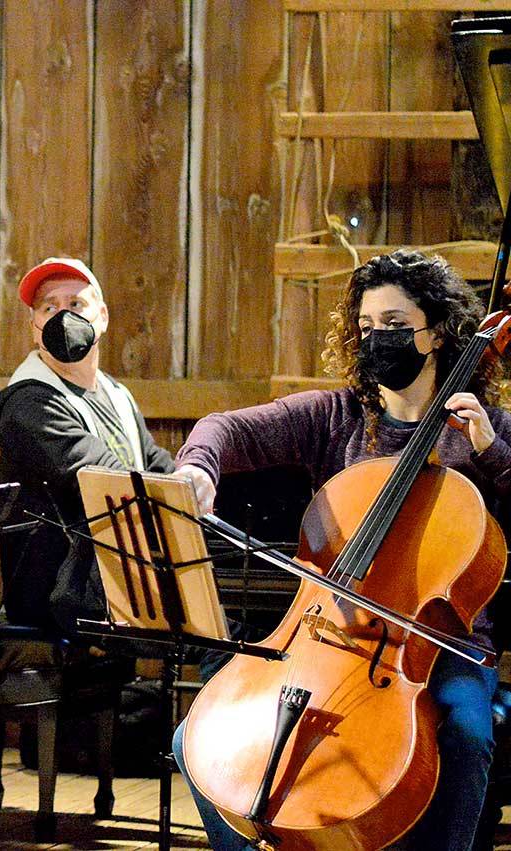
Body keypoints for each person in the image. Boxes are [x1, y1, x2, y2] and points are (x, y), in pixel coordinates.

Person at [172, 249, 511, 851]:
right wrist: (199, 467)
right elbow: (227, 428)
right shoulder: (334, 416)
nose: (378, 338)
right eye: (367, 326)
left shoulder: (489, 427)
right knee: (193, 743)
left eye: (395, 325)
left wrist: (492, 452)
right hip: (321, 633)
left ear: (436, 333)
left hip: (438, 645)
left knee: (466, 733)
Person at [0, 256, 175, 632]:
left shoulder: (117, 395)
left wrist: (195, 482)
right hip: (58, 607)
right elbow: (106, 480)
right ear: (34, 328)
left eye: (76, 304)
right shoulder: (28, 402)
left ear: (102, 317)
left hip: (120, 592)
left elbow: (155, 463)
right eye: (49, 307)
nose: (63, 316)